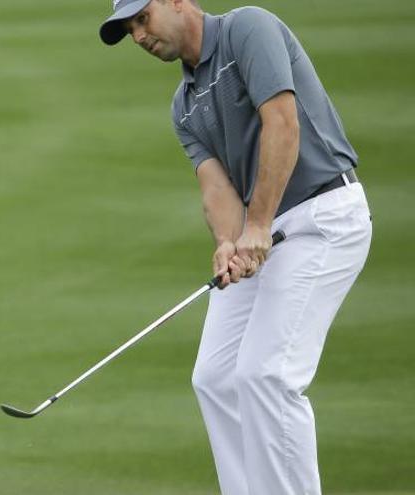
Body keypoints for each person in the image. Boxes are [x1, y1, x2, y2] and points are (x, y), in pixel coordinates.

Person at [98, 1, 372, 494]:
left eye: (143, 19)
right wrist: (227, 241)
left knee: (266, 376)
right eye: (129, 29)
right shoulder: (183, 105)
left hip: (323, 215)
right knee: (216, 377)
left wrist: (258, 225)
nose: (139, 36)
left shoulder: (248, 28)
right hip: (266, 231)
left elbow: (282, 123)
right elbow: (216, 187)